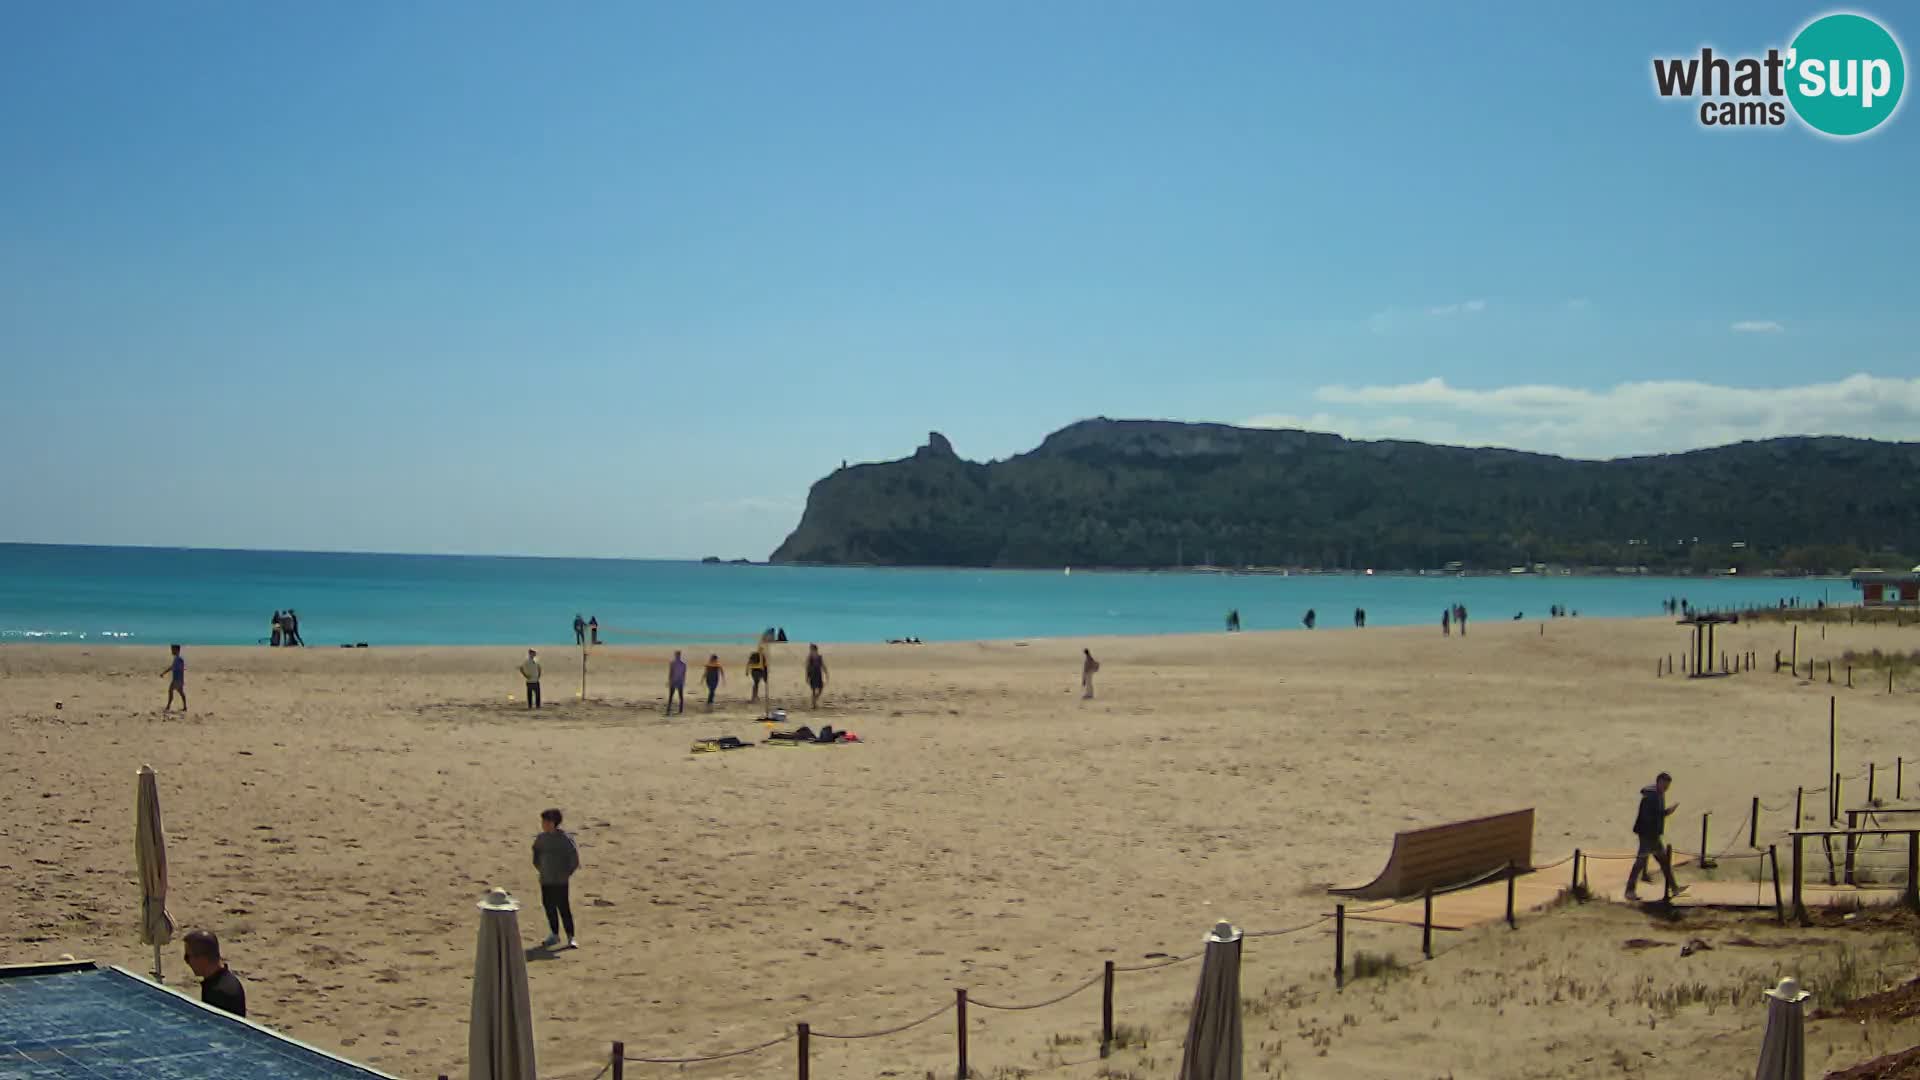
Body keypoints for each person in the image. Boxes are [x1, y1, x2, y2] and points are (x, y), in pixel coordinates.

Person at [1625, 772, 1684, 901]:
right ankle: (1629, 891)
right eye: (1665, 785)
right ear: (1659, 782)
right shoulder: (1651, 796)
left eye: (1668, 786)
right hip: (1648, 835)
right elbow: (1650, 816)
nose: (1666, 788)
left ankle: (1674, 888)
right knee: (1641, 862)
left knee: (1663, 861)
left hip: (1653, 835)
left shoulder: (1658, 794)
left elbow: (1656, 815)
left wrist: (1664, 813)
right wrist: (1667, 812)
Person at [532, 808, 580, 950]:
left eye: (546, 822)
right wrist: (542, 869)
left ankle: (571, 937)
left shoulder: (565, 839)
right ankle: (554, 934)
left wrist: (566, 873)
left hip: (560, 880)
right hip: (546, 879)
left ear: (553, 823)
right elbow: (536, 854)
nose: (543, 824)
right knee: (549, 906)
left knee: (563, 907)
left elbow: (574, 859)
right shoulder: (541, 838)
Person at [183, 929, 246, 1017]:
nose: (187, 962)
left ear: (202, 959)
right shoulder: (223, 981)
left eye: (187, 957)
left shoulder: (218, 993)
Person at [162, 644, 186, 712]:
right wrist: (164, 673)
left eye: (172, 649)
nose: (171, 651)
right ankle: (185, 707)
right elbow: (172, 667)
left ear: (177, 650)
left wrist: (164, 673)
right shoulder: (177, 659)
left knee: (170, 691)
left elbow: (174, 668)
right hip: (180, 680)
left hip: (176, 679)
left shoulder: (178, 659)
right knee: (181, 693)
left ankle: (168, 707)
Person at [804, 644, 828, 708]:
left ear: (815, 649)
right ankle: (814, 704)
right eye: (810, 649)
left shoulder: (819, 657)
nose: (811, 650)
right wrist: (807, 676)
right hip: (812, 674)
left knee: (820, 688)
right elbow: (807, 667)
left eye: (811, 649)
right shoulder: (809, 657)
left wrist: (826, 673)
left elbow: (822, 665)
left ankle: (814, 700)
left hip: (818, 674)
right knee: (814, 690)